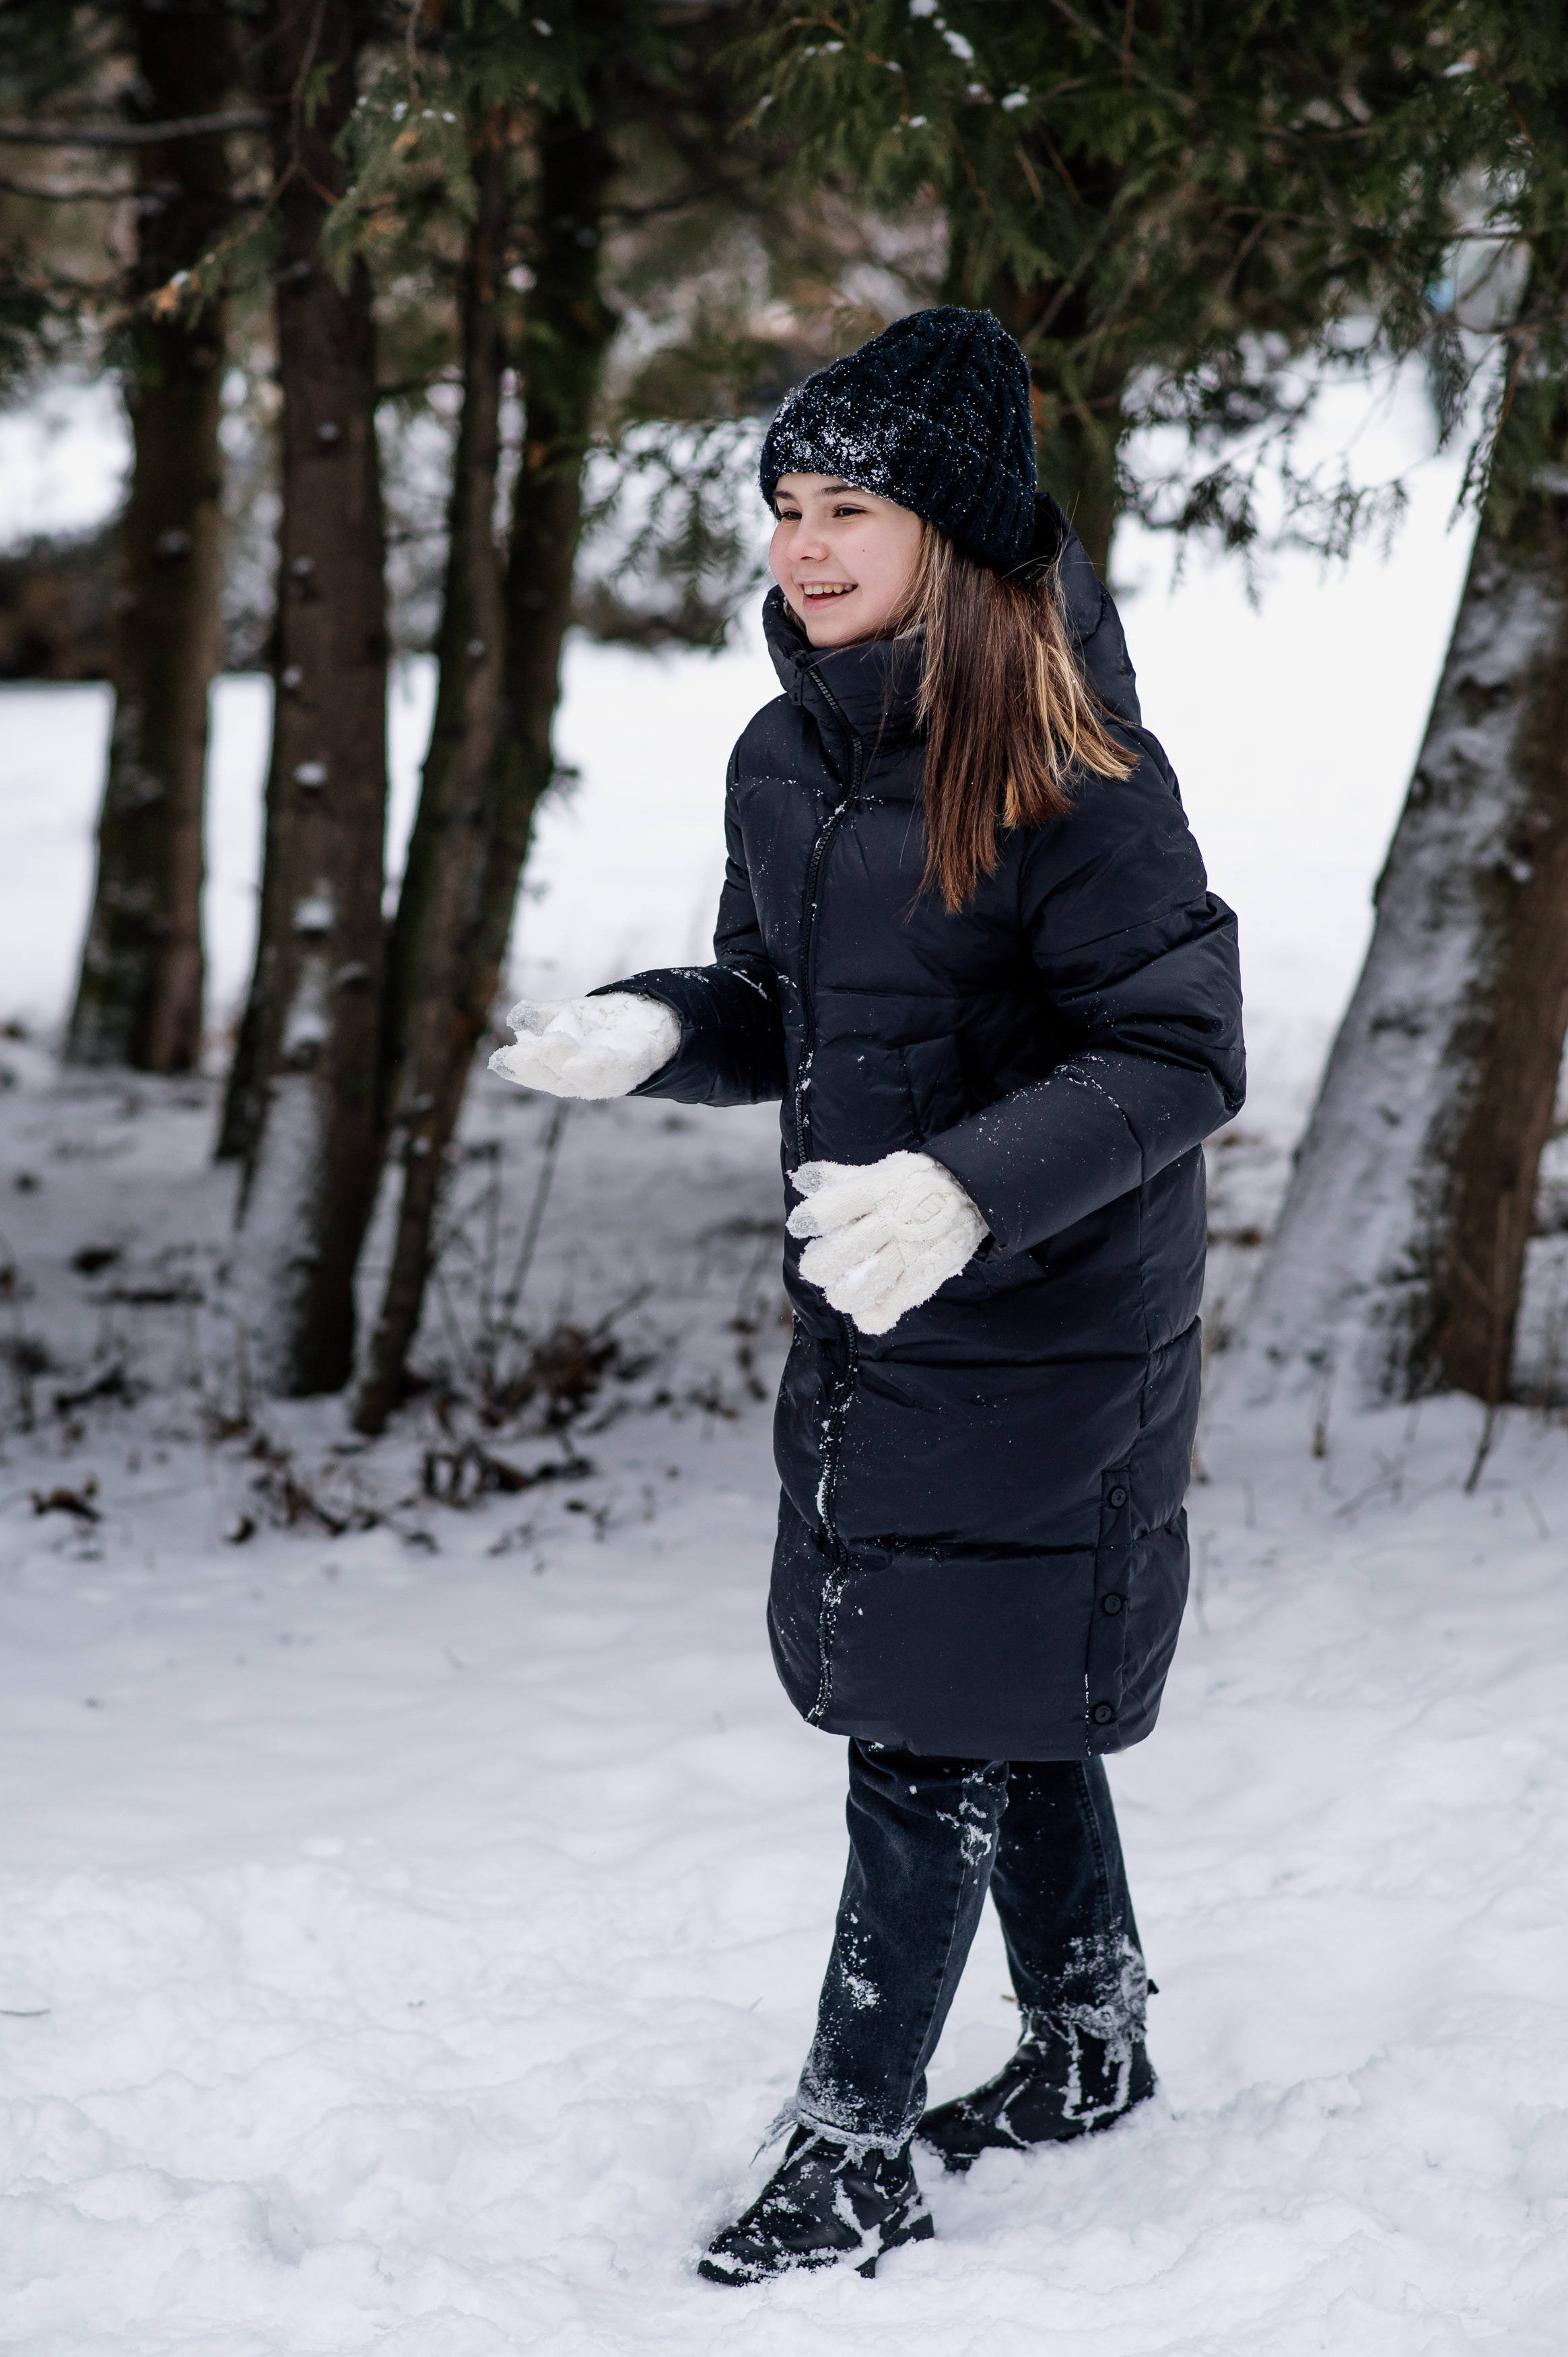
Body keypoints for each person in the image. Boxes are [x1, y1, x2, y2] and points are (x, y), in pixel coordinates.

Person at [489, 306, 1245, 2284]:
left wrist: (963, 1188)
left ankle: (850, 2147)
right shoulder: (789, 749)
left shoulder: (1077, 762)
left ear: (959, 538)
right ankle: (1085, 2041)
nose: (803, 546)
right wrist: (656, 1031)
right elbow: (781, 1002)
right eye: (786, 507)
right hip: (879, 1295)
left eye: (853, 510)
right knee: (991, 1687)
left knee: (925, 1722)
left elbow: (1177, 1052)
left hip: (1053, 1310)